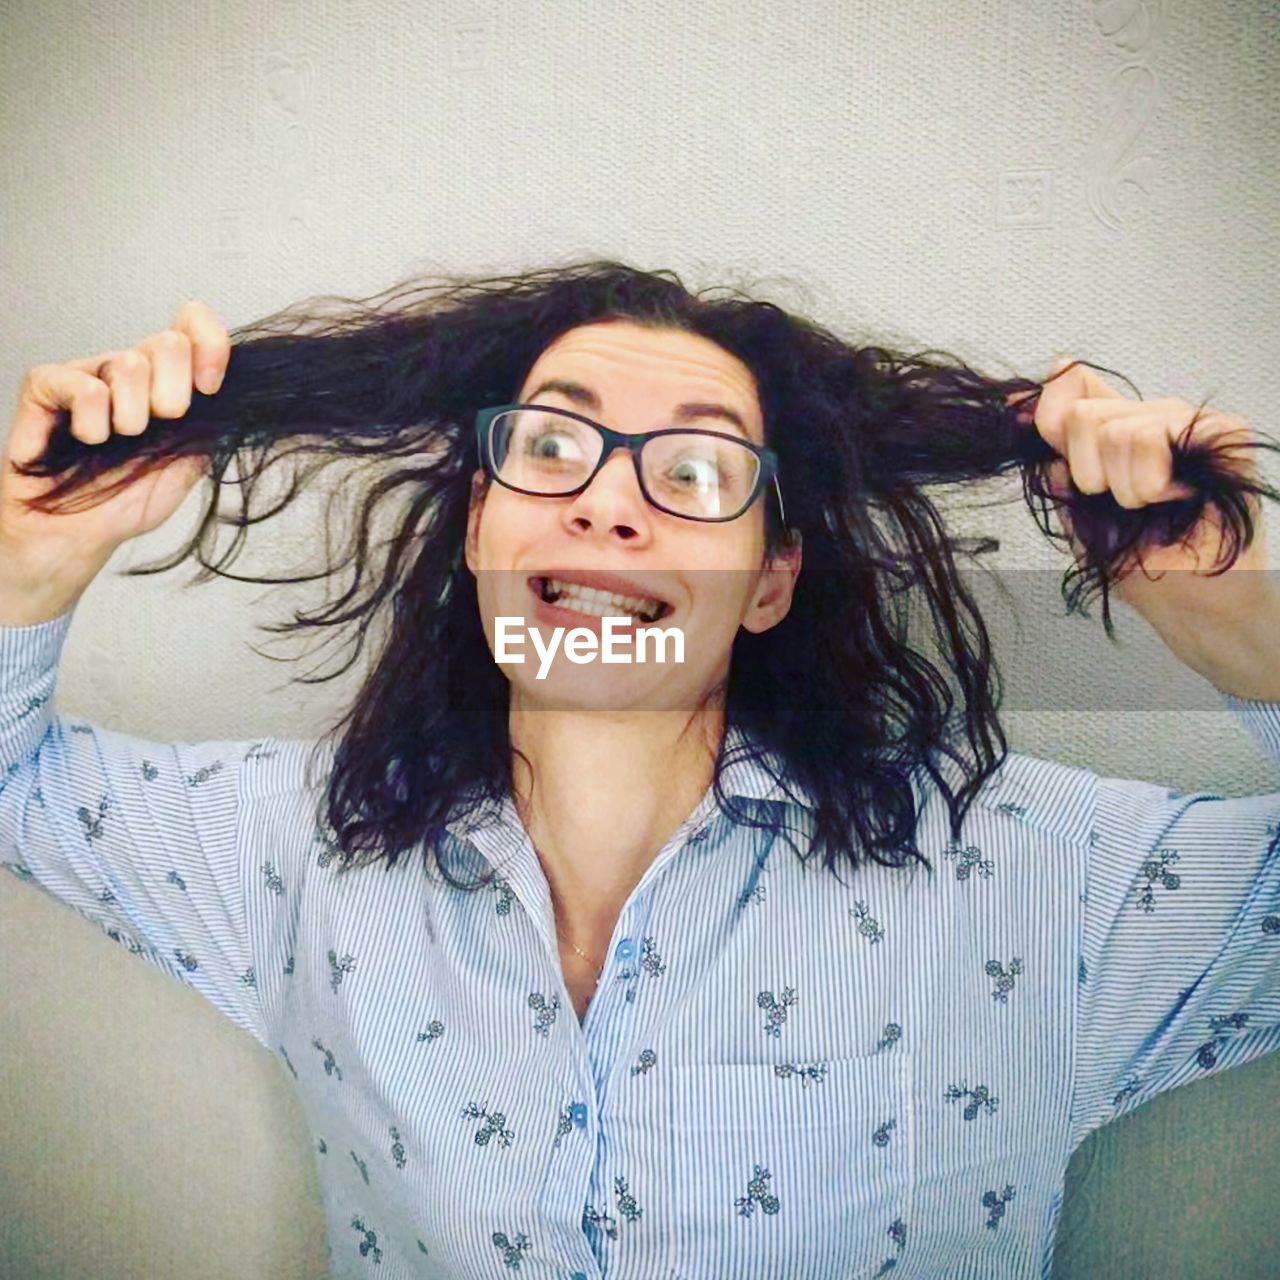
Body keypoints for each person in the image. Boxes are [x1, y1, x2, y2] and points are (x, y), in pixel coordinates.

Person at [2, 263, 1278, 1279]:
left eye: (695, 470)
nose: (610, 504)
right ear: (477, 528)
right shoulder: (300, 846)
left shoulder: (1027, 874)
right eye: (551, 447)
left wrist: (1233, 614)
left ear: (771, 580)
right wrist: (30, 558)